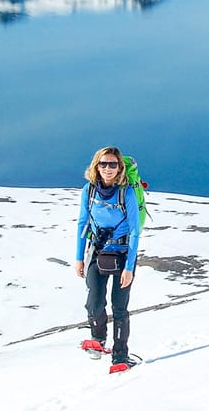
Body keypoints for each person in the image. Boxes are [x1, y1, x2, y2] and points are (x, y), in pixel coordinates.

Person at [74, 146, 142, 371]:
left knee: (119, 307)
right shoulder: (89, 190)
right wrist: (79, 257)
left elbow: (134, 230)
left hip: (122, 255)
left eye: (113, 164)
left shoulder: (127, 192)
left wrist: (129, 267)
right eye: (103, 164)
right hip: (96, 252)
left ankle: (120, 357)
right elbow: (82, 223)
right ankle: (99, 338)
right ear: (96, 166)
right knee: (94, 302)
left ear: (120, 167)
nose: (108, 168)